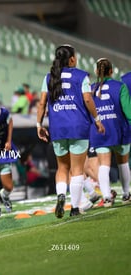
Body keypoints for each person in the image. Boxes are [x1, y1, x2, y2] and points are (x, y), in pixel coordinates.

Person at [36, 44, 105, 218]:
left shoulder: (48, 77)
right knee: (77, 169)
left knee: (62, 168)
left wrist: (39, 125)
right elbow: (88, 100)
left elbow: (41, 103)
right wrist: (97, 120)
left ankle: (60, 195)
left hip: (58, 128)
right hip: (78, 127)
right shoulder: (81, 76)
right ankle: (74, 208)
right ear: (72, 59)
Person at [90, 58, 131, 206]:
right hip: (119, 130)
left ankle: (107, 197)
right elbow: (129, 112)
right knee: (123, 163)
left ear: (96, 71)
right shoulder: (120, 86)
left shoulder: (90, 89)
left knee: (103, 165)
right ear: (111, 71)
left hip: (100, 131)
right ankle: (126, 195)